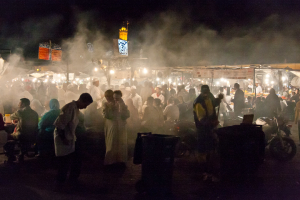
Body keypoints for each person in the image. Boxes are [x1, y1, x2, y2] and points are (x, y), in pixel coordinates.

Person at [54, 93, 93, 188]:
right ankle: (60, 183)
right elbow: (60, 125)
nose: (85, 107)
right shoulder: (69, 108)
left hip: (70, 138)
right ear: (81, 100)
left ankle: (71, 179)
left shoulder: (76, 109)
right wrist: (64, 139)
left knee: (73, 159)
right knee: (64, 162)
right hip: (63, 138)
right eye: (85, 105)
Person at [193, 85, 223, 180]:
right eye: (205, 92)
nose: (207, 94)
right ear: (201, 92)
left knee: (210, 148)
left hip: (210, 128)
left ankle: (209, 170)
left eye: (208, 92)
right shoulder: (198, 102)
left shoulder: (209, 97)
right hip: (203, 129)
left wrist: (219, 99)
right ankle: (203, 171)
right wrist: (211, 123)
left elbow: (214, 103)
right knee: (203, 150)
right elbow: (201, 119)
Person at [103, 90, 130, 167]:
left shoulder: (122, 104)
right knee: (112, 143)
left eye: (117, 99)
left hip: (121, 126)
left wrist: (122, 107)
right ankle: (110, 162)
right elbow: (107, 115)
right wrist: (111, 109)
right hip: (112, 126)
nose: (115, 100)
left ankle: (120, 160)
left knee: (121, 143)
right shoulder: (107, 104)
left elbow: (126, 115)